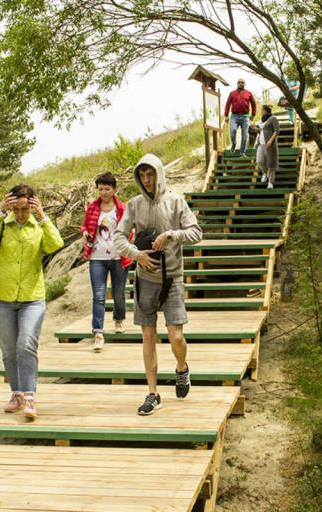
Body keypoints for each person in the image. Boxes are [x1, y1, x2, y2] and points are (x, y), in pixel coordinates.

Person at [114, 153, 203, 416]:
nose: (147, 179)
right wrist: (135, 254)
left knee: (176, 336)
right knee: (148, 337)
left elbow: (196, 232)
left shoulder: (176, 202)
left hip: (172, 278)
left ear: (159, 174)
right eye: (142, 175)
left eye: (150, 174)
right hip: (144, 280)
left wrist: (172, 234)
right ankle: (152, 393)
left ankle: (181, 369)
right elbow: (119, 236)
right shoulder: (134, 205)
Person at [0, 184, 64, 420]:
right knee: (9, 350)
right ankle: (16, 393)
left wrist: (43, 216)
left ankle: (30, 396)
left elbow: (56, 244)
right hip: (2, 298)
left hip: (32, 298)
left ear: (33, 206)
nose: (22, 214)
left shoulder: (38, 227)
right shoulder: (2, 226)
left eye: (26, 209)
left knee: (26, 344)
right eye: (18, 209)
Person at [80, 172, 132, 352]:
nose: (103, 192)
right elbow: (85, 226)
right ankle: (98, 333)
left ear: (114, 189)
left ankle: (119, 319)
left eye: (107, 189)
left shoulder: (122, 208)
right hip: (97, 257)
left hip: (119, 257)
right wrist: (85, 233)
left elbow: (130, 229)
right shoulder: (93, 208)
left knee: (118, 294)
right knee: (99, 296)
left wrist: (127, 244)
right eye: (100, 189)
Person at [224, 78, 256, 157]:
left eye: (242, 82)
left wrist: (253, 114)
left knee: (244, 135)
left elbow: (253, 103)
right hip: (234, 116)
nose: (241, 84)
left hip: (245, 117)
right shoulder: (232, 93)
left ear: (245, 84)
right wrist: (226, 115)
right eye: (239, 82)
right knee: (233, 131)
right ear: (237, 83)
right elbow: (228, 104)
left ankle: (242, 152)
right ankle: (234, 143)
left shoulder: (249, 93)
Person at [254, 105, 280, 189]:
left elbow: (277, 130)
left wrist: (271, 141)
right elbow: (260, 131)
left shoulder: (273, 118)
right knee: (259, 161)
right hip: (260, 144)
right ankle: (265, 173)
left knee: (270, 164)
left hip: (270, 145)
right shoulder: (262, 120)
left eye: (262, 110)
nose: (261, 111)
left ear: (265, 110)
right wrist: (254, 128)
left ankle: (270, 182)